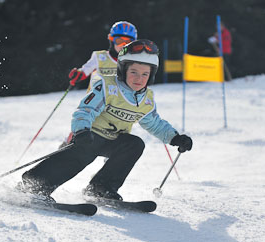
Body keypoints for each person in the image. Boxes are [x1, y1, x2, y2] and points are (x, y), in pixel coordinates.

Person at [20, 39, 193, 202]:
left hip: (114, 141)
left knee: (135, 144)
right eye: (133, 72)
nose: (139, 78)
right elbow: (85, 110)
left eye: (145, 74)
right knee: (80, 156)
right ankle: (34, 185)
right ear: (123, 70)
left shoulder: (146, 98)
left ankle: (100, 188)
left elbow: (154, 123)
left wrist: (175, 138)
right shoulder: (107, 86)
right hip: (90, 137)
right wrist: (81, 131)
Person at [60, 21, 138, 147]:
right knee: (83, 127)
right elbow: (85, 70)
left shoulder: (133, 62)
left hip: (117, 106)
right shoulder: (100, 57)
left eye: (127, 42)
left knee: (119, 133)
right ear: (112, 40)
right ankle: (66, 147)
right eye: (119, 41)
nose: (123, 45)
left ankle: (113, 159)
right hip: (95, 102)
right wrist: (78, 74)